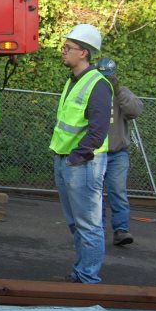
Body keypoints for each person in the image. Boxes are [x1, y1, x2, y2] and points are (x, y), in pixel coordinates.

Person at [51, 24, 113, 285]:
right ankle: (82, 272)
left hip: (83, 163)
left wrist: (76, 158)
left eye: (69, 48)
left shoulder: (98, 84)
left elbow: (98, 131)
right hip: (67, 159)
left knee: (88, 225)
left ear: (84, 53)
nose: (63, 51)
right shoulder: (73, 80)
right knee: (77, 223)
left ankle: (88, 278)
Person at [97, 57, 143, 246]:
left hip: (117, 153)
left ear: (115, 76)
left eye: (110, 77)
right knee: (95, 194)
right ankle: (96, 230)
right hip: (95, 153)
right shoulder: (93, 91)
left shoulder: (122, 92)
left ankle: (121, 230)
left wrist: (117, 91)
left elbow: (134, 111)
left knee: (117, 191)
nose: (107, 80)